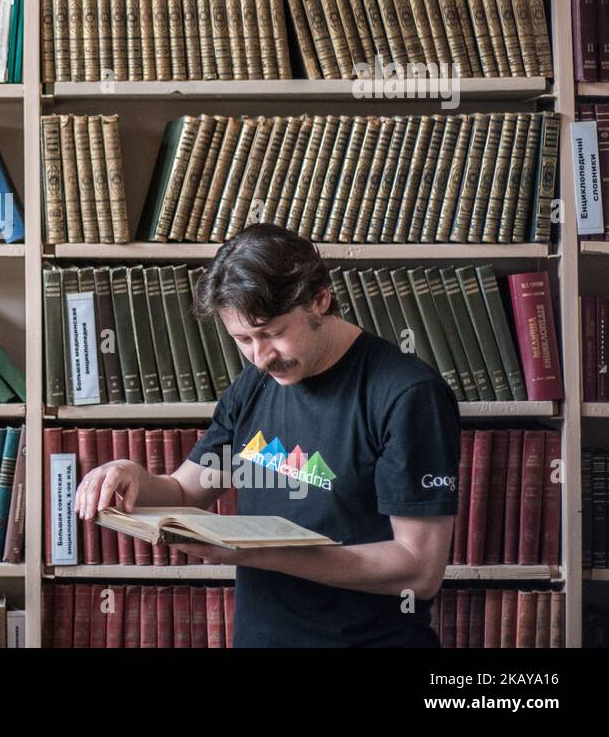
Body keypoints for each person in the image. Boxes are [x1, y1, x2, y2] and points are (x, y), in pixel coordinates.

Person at [74, 223, 461, 647]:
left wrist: (253, 552)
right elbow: (186, 494)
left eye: (272, 333)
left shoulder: (406, 394)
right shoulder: (254, 385)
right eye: (243, 339)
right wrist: (130, 475)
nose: (260, 357)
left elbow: (418, 570)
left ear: (320, 300)